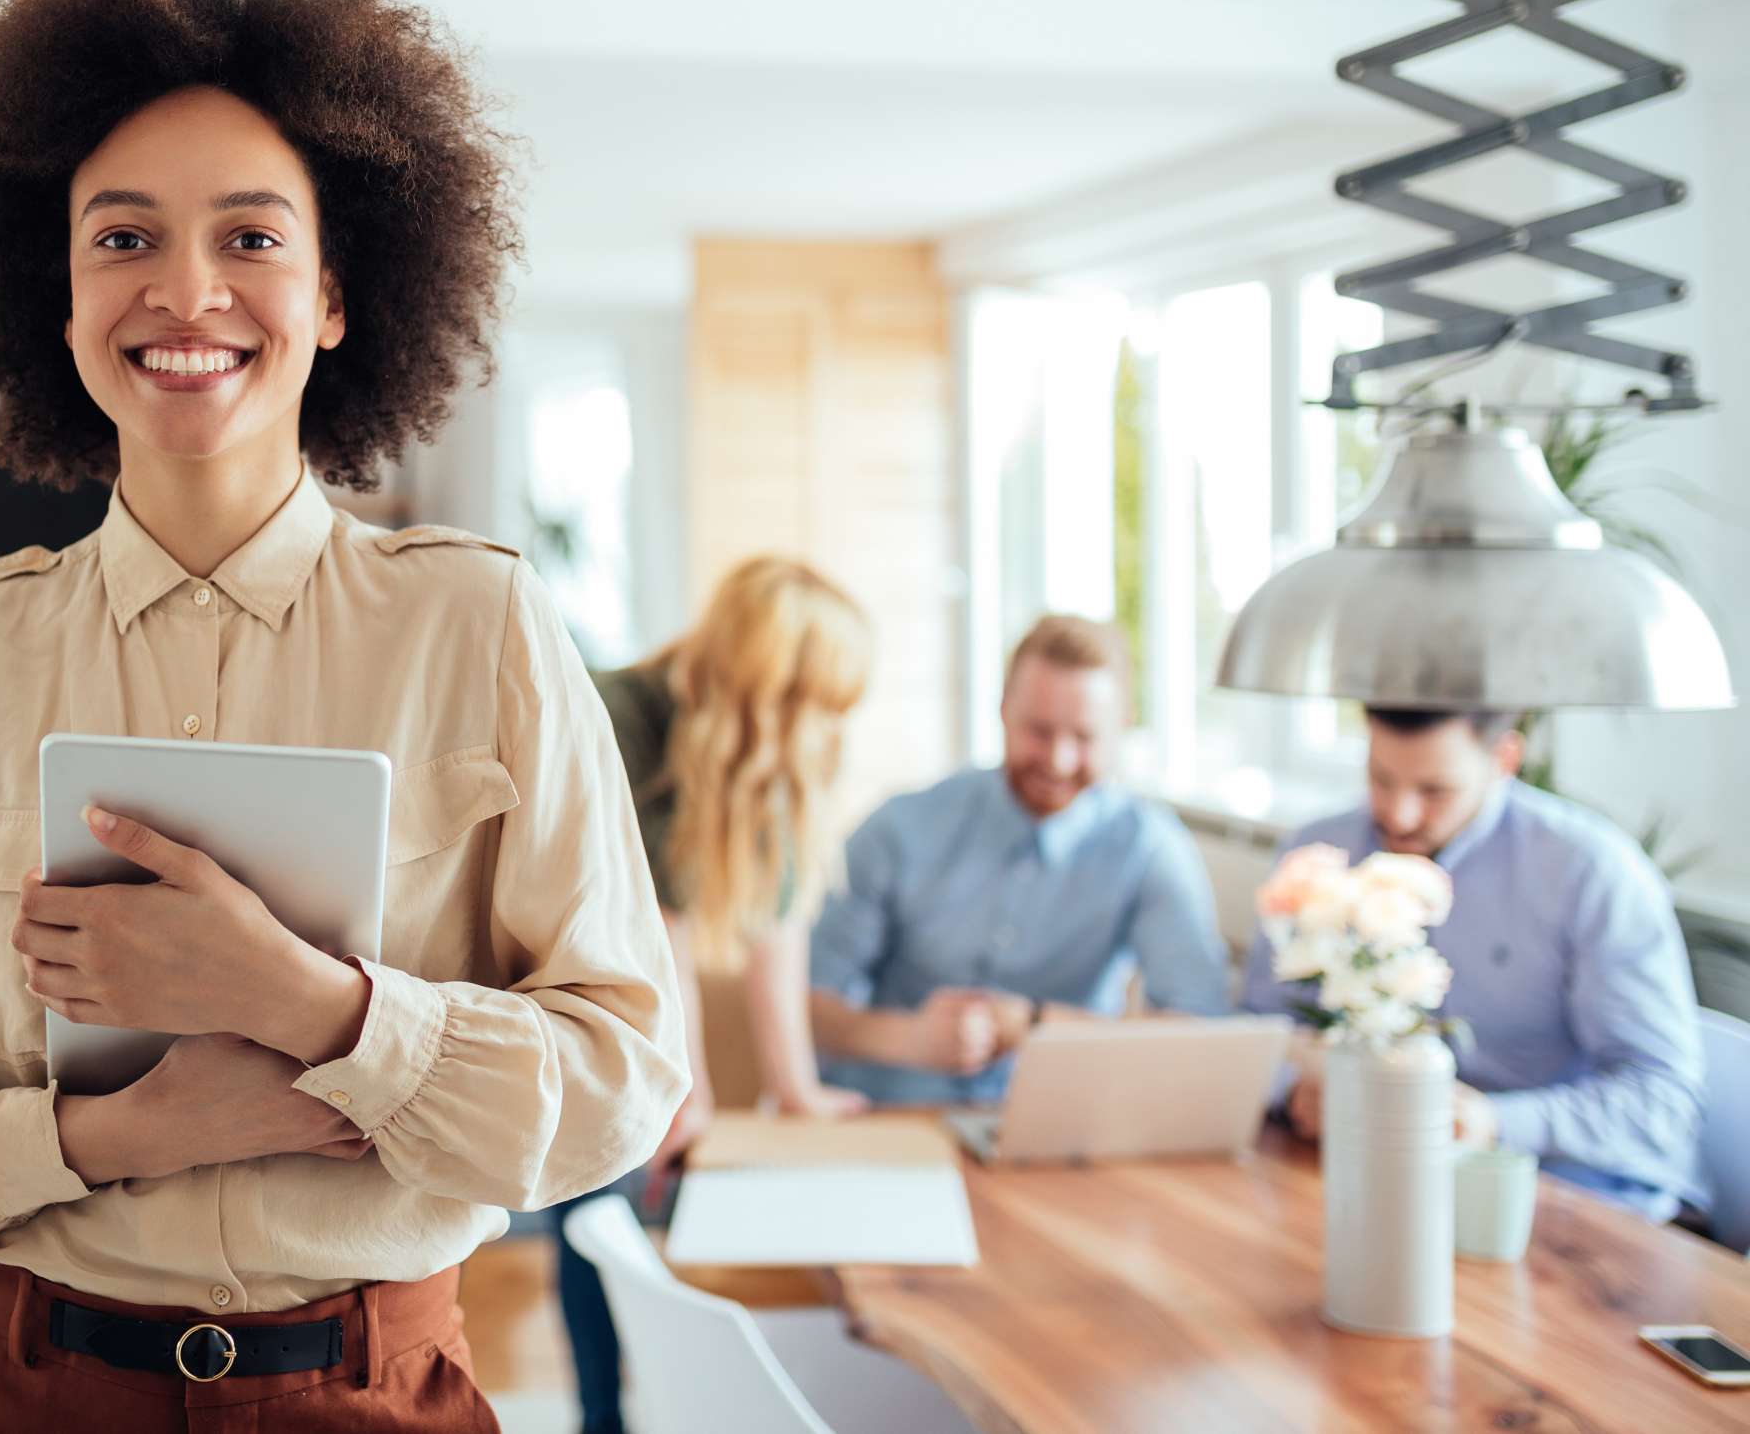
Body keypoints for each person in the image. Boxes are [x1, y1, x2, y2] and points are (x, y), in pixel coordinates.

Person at [0, 0, 686, 1433]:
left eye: (251, 235)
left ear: (333, 296)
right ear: (57, 297)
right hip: (7, 1390)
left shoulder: (482, 633)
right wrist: (103, 1136)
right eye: (124, 237)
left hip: (370, 1392)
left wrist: (321, 1007)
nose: (185, 292)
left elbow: (624, 1079)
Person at [549, 555, 875, 1434]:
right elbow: (652, 928)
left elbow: (778, 916)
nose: (826, 730)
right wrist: (682, 1086)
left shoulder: (772, 744)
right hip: (581, 996)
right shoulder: (613, 714)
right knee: (605, 1186)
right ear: (765, 691)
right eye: (816, 705)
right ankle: (600, 1416)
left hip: (646, 992)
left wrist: (797, 1088)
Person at [1242, 707, 1707, 1221]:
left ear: (1504, 759)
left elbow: (1663, 1101)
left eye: (1435, 790)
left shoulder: (1591, 873)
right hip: (1370, 1179)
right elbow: (1257, 1027)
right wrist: (1298, 1088)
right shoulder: (1319, 854)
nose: (1400, 815)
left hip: (1561, 1196)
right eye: (1380, 778)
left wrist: (1491, 1121)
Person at [808, 614, 1230, 1101]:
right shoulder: (900, 828)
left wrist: (1034, 1025)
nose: (1059, 760)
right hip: (892, 1116)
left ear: (1123, 726)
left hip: (1055, 1124)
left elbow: (1200, 1032)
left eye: (1084, 738)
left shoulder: (1150, 849)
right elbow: (808, 1007)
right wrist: (910, 1039)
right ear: (1003, 710)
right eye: (1039, 731)